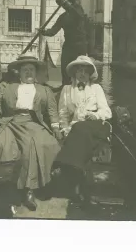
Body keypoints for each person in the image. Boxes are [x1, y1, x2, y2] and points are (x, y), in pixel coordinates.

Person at [0, 52, 62, 211]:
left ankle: (29, 189)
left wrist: (56, 127)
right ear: (19, 72)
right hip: (10, 121)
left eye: (31, 69)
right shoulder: (7, 87)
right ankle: (1, 183)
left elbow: (52, 112)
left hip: (33, 122)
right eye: (25, 70)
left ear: (36, 72)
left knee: (34, 144)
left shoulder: (45, 90)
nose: (29, 72)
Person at [52, 55, 112, 199]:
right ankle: (77, 175)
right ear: (74, 73)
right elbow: (63, 113)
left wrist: (95, 115)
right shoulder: (67, 89)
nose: (82, 73)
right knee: (77, 129)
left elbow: (107, 111)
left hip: (97, 125)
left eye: (85, 70)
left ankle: (61, 164)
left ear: (90, 73)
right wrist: (64, 128)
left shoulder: (96, 88)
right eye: (79, 70)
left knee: (79, 129)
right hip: (76, 127)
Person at [40, 0, 88, 86]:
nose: (63, 5)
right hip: (68, 45)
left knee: (80, 68)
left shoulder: (78, 10)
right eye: (62, 3)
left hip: (80, 45)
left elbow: (79, 17)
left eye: (65, 2)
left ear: (70, 1)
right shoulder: (62, 17)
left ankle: (81, 87)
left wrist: (68, 5)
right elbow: (53, 31)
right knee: (65, 68)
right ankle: (65, 87)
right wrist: (44, 31)